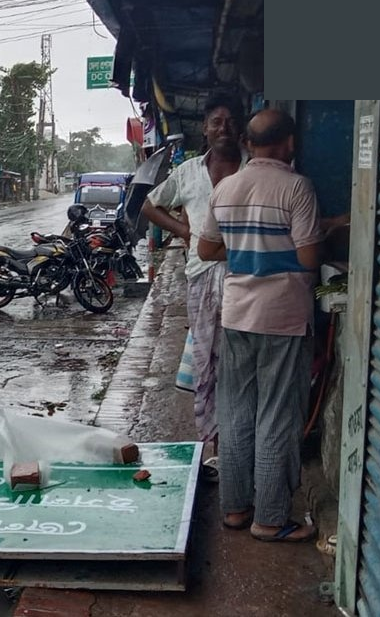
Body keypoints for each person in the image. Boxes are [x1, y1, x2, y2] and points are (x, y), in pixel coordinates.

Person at [196, 108, 322, 543]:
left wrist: (246, 248)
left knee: (235, 412)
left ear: (248, 144)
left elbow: (206, 249)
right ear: (289, 143)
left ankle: (234, 509)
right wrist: (320, 232)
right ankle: (269, 519)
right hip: (283, 315)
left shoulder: (226, 187)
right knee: (278, 415)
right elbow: (309, 257)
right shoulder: (297, 187)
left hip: (237, 314)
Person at [141, 95, 249, 481]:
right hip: (202, 276)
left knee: (242, 365)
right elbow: (150, 205)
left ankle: (240, 445)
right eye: (216, 121)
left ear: (241, 127)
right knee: (209, 365)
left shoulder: (254, 169)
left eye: (231, 121)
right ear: (205, 128)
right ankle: (216, 448)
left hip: (248, 278)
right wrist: (185, 231)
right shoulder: (188, 172)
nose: (224, 128)